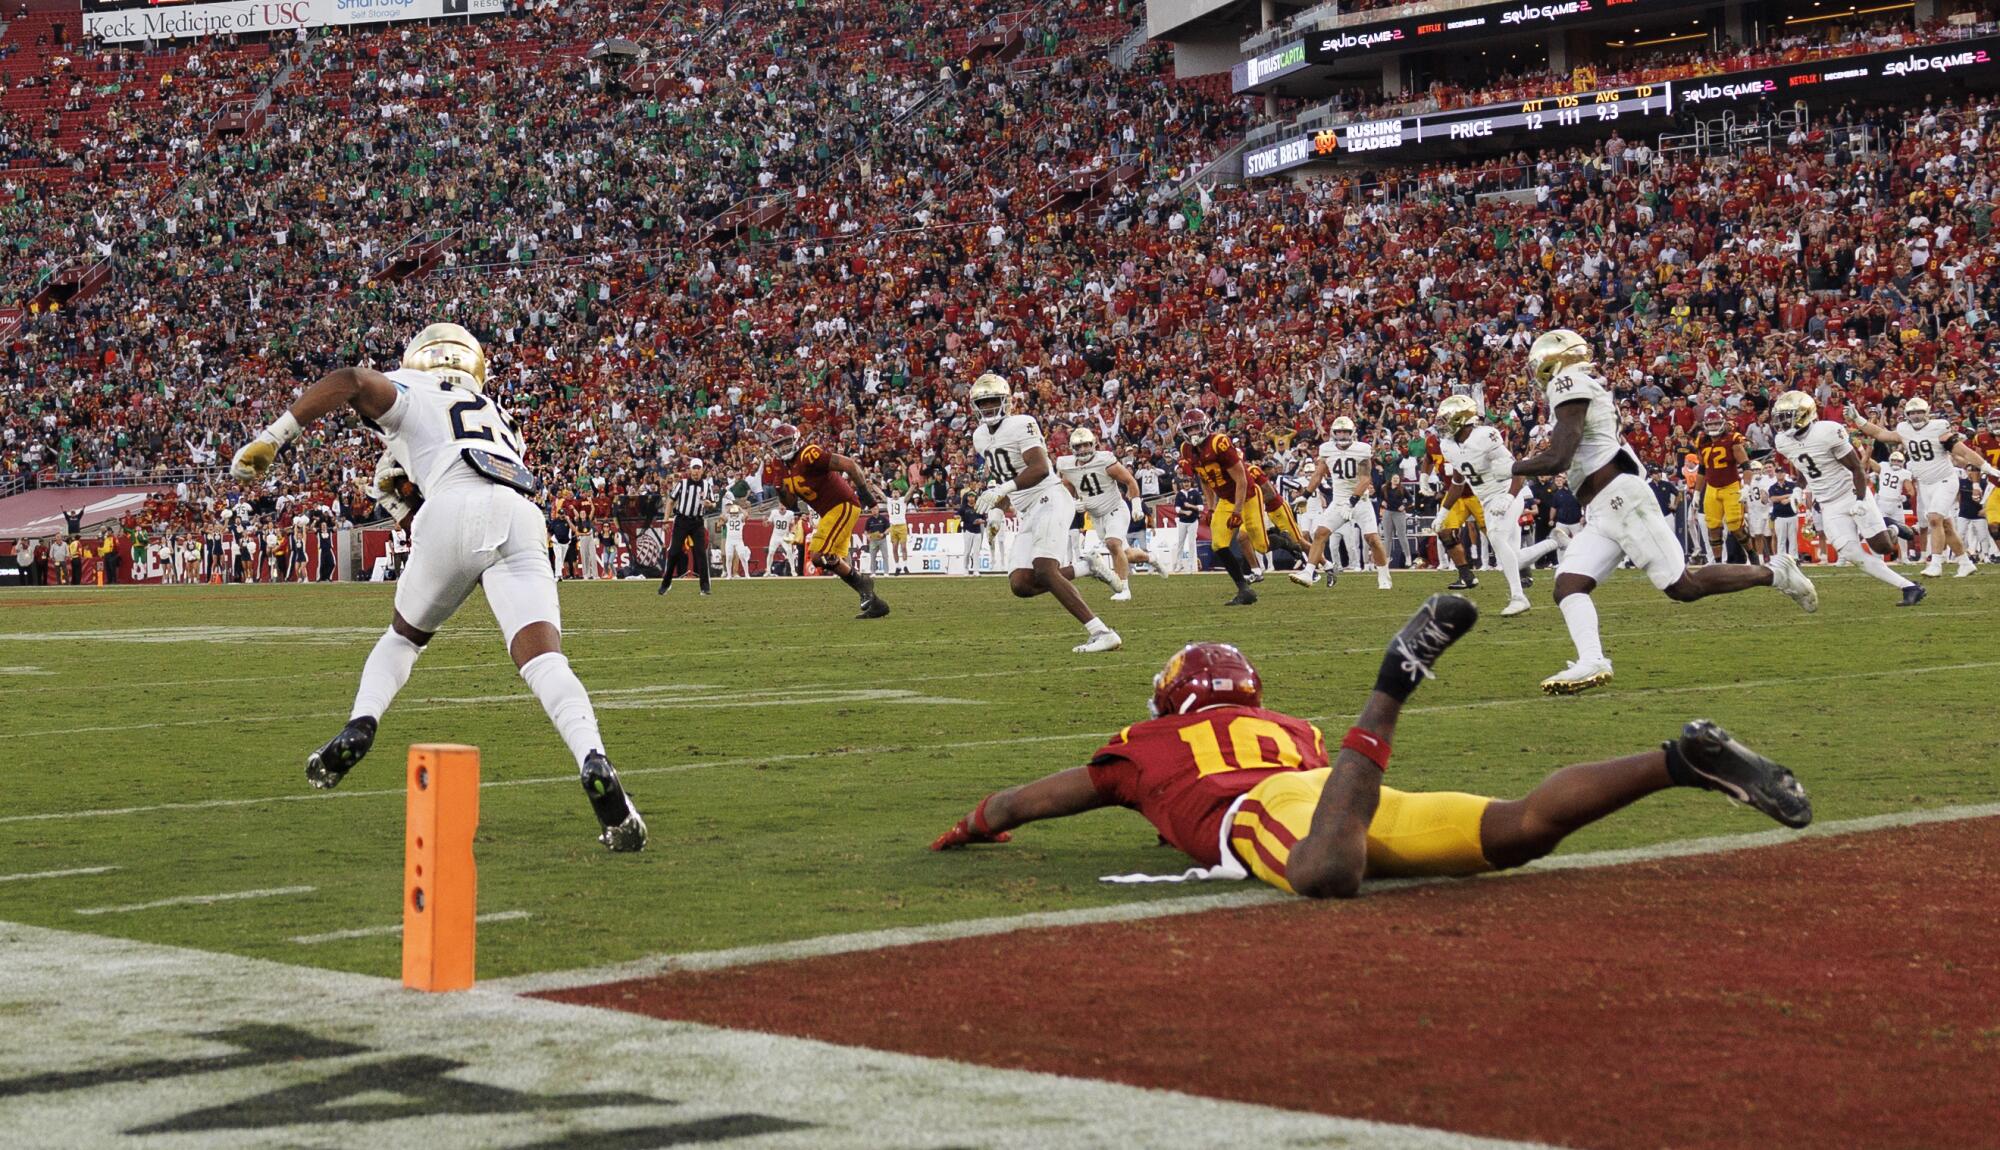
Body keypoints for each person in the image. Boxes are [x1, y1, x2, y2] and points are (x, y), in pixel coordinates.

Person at [931, 596, 1812, 899]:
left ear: (1170, 700)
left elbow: (1025, 801)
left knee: (1323, 878)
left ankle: (1391, 688)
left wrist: (975, 824)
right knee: (1519, 831)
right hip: (1338, 792)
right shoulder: (1289, 730)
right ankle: (1678, 760)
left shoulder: (1145, 743)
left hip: (1271, 814)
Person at [227, 322, 646, 852]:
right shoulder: (499, 415)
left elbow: (351, 379)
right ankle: (593, 759)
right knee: (545, 662)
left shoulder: (413, 388)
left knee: (403, 639)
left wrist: (274, 437)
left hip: (453, 506)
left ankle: (361, 722)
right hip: (519, 515)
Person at [1509, 329, 1817, 695]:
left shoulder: (1567, 381)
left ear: (1552, 362)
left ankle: (1775, 573)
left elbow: (1559, 456)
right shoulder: (1581, 385)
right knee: (1568, 584)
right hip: (1603, 510)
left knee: (1683, 587)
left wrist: (1509, 469)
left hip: (1621, 499)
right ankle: (1592, 660)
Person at [969, 373, 1120, 652]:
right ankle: (1087, 566)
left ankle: (1102, 632)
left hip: (1050, 497)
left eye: (994, 401)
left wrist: (1002, 489)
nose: (989, 408)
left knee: (1045, 569)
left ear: (1006, 402)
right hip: (1027, 509)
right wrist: (999, 514)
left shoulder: (1022, 424)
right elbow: (1006, 475)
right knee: (1021, 583)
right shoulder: (979, 436)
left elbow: (1039, 468)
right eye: (984, 403)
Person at [1769, 392, 1922, 606]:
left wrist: (1860, 499)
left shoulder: (1827, 431)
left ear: (1804, 414)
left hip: (1850, 492)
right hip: (1828, 503)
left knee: (1883, 548)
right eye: (1780, 416)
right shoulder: (1783, 440)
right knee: (1852, 554)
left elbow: (1857, 468)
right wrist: (1798, 488)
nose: (1782, 422)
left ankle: (1892, 528)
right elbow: (1805, 464)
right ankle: (1909, 587)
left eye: (1787, 416)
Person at [1432, 395, 1562, 616]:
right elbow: (1457, 481)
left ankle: (1518, 597)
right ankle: (1554, 542)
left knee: (1497, 537)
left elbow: (1517, 470)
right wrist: (1443, 512)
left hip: (1507, 491)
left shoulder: (1485, 436)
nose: (1441, 424)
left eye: (1446, 419)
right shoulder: (1448, 445)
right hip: (1487, 499)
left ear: (1461, 419)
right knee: (1511, 556)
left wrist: (1509, 498)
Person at [1848, 398, 2000, 578]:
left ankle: (1935, 563)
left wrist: (1988, 468)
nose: (1916, 416)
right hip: (1926, 484)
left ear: (1927, 412)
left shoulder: (1939, 428)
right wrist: (1858, 419)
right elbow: (1881, 434)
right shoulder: (1904, 430)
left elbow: (1964, 452)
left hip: (1945, 480)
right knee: (1946, 526)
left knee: (1934, 519)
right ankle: (1965, 563)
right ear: (1907, 415)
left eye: (1919, 412)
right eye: (1912, 413)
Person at [763, 423, 890, 618]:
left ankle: (864, 584)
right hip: (829, 513)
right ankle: (874, 601)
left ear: (796, 439)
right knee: (829, 560)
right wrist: (780, 490)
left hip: (843, 504)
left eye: (788, 443)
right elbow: (790, 504)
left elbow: (849, 464)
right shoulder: (782, 467)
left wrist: (866, 495)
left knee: (817, 555)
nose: (785, 448)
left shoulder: (808, 454)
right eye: (780, 445)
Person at [1056, 427, 1158, 601]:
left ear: (1093, 444)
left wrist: (1136, 505)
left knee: (1112, 544)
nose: (1083, 450)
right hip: (1096, 516)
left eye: (1086, 445)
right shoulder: (1067, 466)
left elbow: (1129, 481)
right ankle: (1151, 558)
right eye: (1079, 447)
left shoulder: (1105, 460)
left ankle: (1123, 589)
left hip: (1115, 509)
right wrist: (1073, 503)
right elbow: (1068, 489)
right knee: (1126, 554)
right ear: (1073, 448)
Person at [1292, 416, 1392, 591]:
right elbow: (1318, 474)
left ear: (1352, 433)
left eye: (1346, 432)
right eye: (1339, 432)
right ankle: (1308, 573)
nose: (1343, 435)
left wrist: (1352, 502)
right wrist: (1305, 496)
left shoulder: (1362, 450)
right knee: (1320, 534)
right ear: (1333, 433)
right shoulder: (1327, 449)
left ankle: (1384, 576)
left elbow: (1365, 479)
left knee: (1372, 539)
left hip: (1360, 500)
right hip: (1338, 501)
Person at [1179, 409, 1264, 605]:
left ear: (1205, 426)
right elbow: (1204, 479)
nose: (1192, 433)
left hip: (1247, 495)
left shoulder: (1219, 443)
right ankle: (1243, 589)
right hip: (1226, 499)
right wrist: (1210, 507)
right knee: (1218, 544)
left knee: (1262, 545)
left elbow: (1242, 480)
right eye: (1189, 429)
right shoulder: (1187, 449)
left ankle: (1287, 542)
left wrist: (1237, 511)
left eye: (1195, 428)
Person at [1691, 406, 1753, 563]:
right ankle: (1718, 563)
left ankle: (1752, 555)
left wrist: (1746, 486)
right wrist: (1697, 493)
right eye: (1710, 424)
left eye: (1715, 424)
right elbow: (1702, 469)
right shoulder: (1702, 442)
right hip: (1711, 488)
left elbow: (1746, 466)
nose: (1713, 427)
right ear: (1705, 425)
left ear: (1723, 424)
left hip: (1731, 486)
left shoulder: (1732, 439)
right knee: (1712, 527)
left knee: (1735, 526)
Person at [657, 460, 716, 596]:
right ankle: (666, 583)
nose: (696, 471)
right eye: (694, 469)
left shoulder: (707, 486)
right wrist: (666, 520)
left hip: (697, 522)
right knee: (673, 552)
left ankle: (705, 587)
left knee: (701, 553)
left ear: (702, 470)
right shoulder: (682, 484)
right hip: (682, 520)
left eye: (698, 469)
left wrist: (709, 505)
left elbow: (713, 503)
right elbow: (671, 501)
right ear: (690, 470)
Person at [721, 501, 751, 578]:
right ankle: (729, 575)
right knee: (729, 557)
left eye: (735, 513)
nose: (734, 515)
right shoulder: (728, 516)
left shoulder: (740, 517)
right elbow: (722, 516)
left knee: (742, 556)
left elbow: (746, 515)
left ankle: (747, 574)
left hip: (739, 540)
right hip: (729, 540)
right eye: (732, 513)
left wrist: (740, 508)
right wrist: (729, 509)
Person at [765, 502, 796, 576]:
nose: (782, 507)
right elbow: (768, 523)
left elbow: (793, 525)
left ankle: (793, 570)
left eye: (784, 505)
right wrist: (765, 521)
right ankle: (768, 571)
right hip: (775, 535)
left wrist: (792, 533)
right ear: (778, 506)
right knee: (771, 552)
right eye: (781, 505)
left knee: (789, 551)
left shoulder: (790, 514)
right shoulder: (774, 512)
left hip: (785, 535)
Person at [886, 490, 911, 575]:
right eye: (893, 492)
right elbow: (881, 494)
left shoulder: (902, 500)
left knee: (903, 547)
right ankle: (898, 566)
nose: (895, 494)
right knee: (894, 548)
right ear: (891, 494)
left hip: (902, 526)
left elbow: (908, 494)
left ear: (899, 494)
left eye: (896, 492)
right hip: (893, 526)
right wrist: (874, 486)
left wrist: (912, 487)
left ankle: (905, 566)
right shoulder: (889, 501)